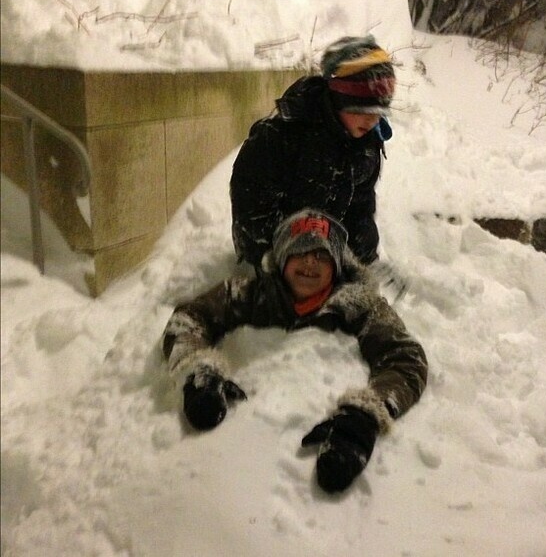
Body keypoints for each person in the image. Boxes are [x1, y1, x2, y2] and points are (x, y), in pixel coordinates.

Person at [162, 209, 427, 493]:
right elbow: (189, 319)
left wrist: (365, 417)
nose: (310, 262)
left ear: (337, 266)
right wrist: (199, 370)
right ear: (282, 257)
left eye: (322, 255)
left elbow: (405, 358)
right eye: (300, 251)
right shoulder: (252, 294)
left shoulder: (362, 306)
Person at [230, 35, 396, 273]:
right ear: (340, 99)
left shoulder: (366, 146)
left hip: (327, 257)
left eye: (379, 112)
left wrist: (365, 260)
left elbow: (359, 209)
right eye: (362, 109)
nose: (372, 120)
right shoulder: (280, 138)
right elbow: (252, 214)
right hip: (278, 259)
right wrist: (280, 262)